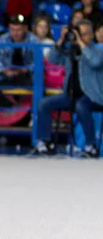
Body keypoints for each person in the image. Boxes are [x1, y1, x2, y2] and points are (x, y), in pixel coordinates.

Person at [34, 20, 103, 157]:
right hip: (70, 95)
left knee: (80, 106)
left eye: (83, 34)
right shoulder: (70, 51)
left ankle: (91, 145)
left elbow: (95, 62)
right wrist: (61, 39)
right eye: (78, 34)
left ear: (91, 35)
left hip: (93, 96)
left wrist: (80, 42)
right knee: (43, 103)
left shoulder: (98, 50)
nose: (80, 38)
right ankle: (45, 143)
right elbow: (53, 59)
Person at [0, 14, 40, 126]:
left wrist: (24, 70)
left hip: (26, 75)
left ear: (25, 29)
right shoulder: (2, 39)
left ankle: (35, 115)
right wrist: (4, 70)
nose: (16, 33)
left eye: (19, 30)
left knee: (39, 75)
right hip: (5, 75)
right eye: (13, 29)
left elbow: (37, 62)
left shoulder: (34, 40)